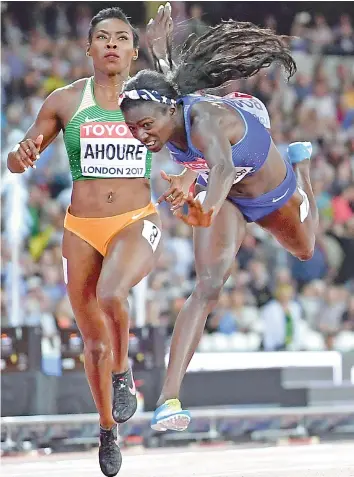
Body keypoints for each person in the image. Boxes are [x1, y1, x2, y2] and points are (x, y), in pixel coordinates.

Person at [119, 20, 318, 432]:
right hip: (223, 191)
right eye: (133, 129)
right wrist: (194, 185)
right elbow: (210, 167)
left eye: (145, 126)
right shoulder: (166, 113)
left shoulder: (202, 119)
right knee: (208, 284)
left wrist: (205, 205)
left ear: (169, 110)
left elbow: (223, 166)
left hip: (268, 191)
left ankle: (304, 170)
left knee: (306, 249)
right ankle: (168, 399)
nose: (141, 136)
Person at [7, 6, 172, 476]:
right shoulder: (65, 101)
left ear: (133, 50)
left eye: (122, 37)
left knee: (112, 293)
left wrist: (189, 176)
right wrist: (21, 157)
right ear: (89, 48)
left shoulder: (152, 97)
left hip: (136, 218)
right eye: (104, 37)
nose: (113, 44)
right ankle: (106, 428)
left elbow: (187, 142)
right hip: (81, 227)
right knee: (93, 343)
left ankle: (125, 374)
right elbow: (23, 158)